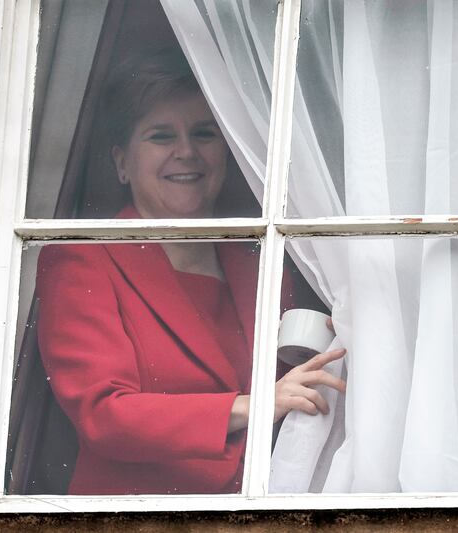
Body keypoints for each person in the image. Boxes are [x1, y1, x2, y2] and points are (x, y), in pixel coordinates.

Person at [35, 49, 345, 495]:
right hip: (138, 516)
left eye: (204, 133)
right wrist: (252, 407)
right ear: (122, 163)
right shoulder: (84, 257)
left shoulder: (261, 256)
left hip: (265, 502)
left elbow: (295, 383)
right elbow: (104, 415)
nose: (186, 152)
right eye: (161, 136)